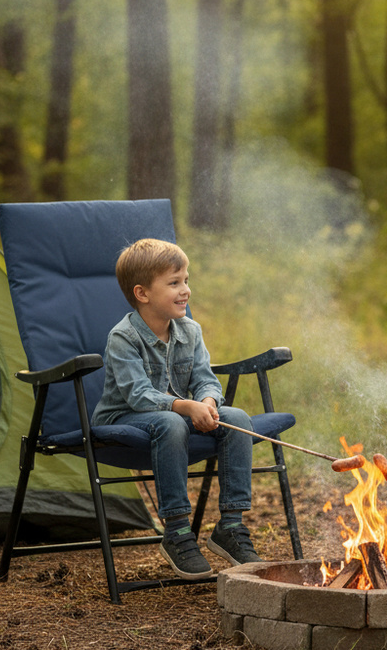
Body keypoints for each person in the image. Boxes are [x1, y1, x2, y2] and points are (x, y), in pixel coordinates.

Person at [92, 238, 261, 579]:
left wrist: (209, 402)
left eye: (186, 280)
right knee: (172, 422)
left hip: (175, 416)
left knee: (237, 418)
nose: (185, 290)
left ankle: (230, 525)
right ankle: (178, 531)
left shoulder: (190, 331)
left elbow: (205, 379)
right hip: (124, 418)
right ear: (143, 294)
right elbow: (138, 395)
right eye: (174, 283)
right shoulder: (123, 337)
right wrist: (187, 407)